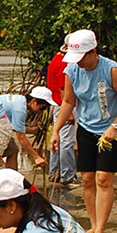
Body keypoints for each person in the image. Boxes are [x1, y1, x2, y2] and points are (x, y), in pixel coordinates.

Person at [48, 29, 117, 233]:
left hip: (112, 130)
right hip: (86, 127)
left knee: (103, 179)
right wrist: (56, 130)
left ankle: (101, 231)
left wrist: (114, 127)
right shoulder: (71, 71)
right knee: (87, 179)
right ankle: (93, 224)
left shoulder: (112, 70)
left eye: (81, 58)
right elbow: (68, 102)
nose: (78, 63)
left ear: (93, 52)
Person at [41, 46, 78, 184]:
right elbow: (63, 88)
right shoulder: (64, 62)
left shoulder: (56, 59)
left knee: (59, 139)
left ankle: (54, 172)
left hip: (57, 104)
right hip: (64, 105)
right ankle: (67, 176)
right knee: (66, 141)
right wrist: (68, 112)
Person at [3, 88, 53, 171]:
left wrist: (32, 130)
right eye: (42, 108)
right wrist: (36, 157)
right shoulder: (20, 109)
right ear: (33, 101)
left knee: (12, 150)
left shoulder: (20, 101)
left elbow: (15, 127)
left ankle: (12, 179)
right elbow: (21, 137)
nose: (41, 112)